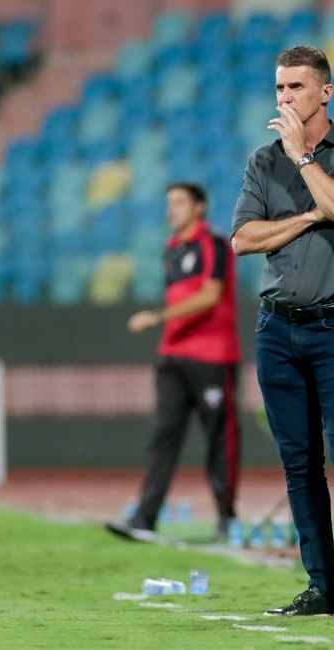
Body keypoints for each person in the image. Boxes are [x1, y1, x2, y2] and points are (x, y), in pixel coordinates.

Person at [231, 46, 334, 618]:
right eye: (279, 88)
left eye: (295, 87)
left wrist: (303, 161)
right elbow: (242, 239)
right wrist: (308, 214)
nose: (284, 99)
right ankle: (324, 588)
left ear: (325, 91)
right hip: (277, 329)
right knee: (299, 465)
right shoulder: (260, 161)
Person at [106, 182, 241, 542]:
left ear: (200, 207)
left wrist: (158, 316)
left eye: (179, 202)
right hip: (173, 354)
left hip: (212, 353)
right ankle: (145, 517)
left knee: (219, 437)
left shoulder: (212, 243)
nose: (172, 209)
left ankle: (226, 517)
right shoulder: (170, 249)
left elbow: (210, 296)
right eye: (169, 202)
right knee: (163, 436)